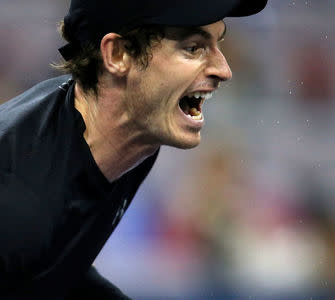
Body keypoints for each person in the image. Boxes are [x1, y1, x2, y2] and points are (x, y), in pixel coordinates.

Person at [0, 0, 267, 298]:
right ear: (118, 54)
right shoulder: (18, 197)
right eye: (193, 47)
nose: (224, 70)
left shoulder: (131, 134)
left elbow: (54, 265)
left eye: (218, 44)